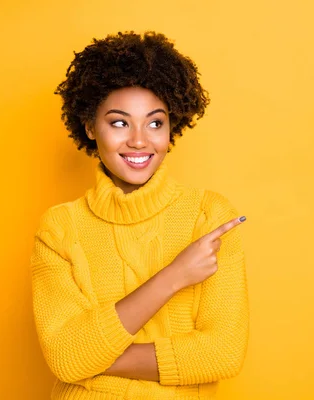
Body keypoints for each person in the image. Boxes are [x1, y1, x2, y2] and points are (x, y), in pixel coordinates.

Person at [30, 31, 249, 400]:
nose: (138, 140)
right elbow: (64, 359)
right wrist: (175, 275)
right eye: (119, 122)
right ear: (89, 126)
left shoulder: (209, 216)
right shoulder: (59, 228)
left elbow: (223, 354)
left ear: (171, 128)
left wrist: (91, 357)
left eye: (155, 122)